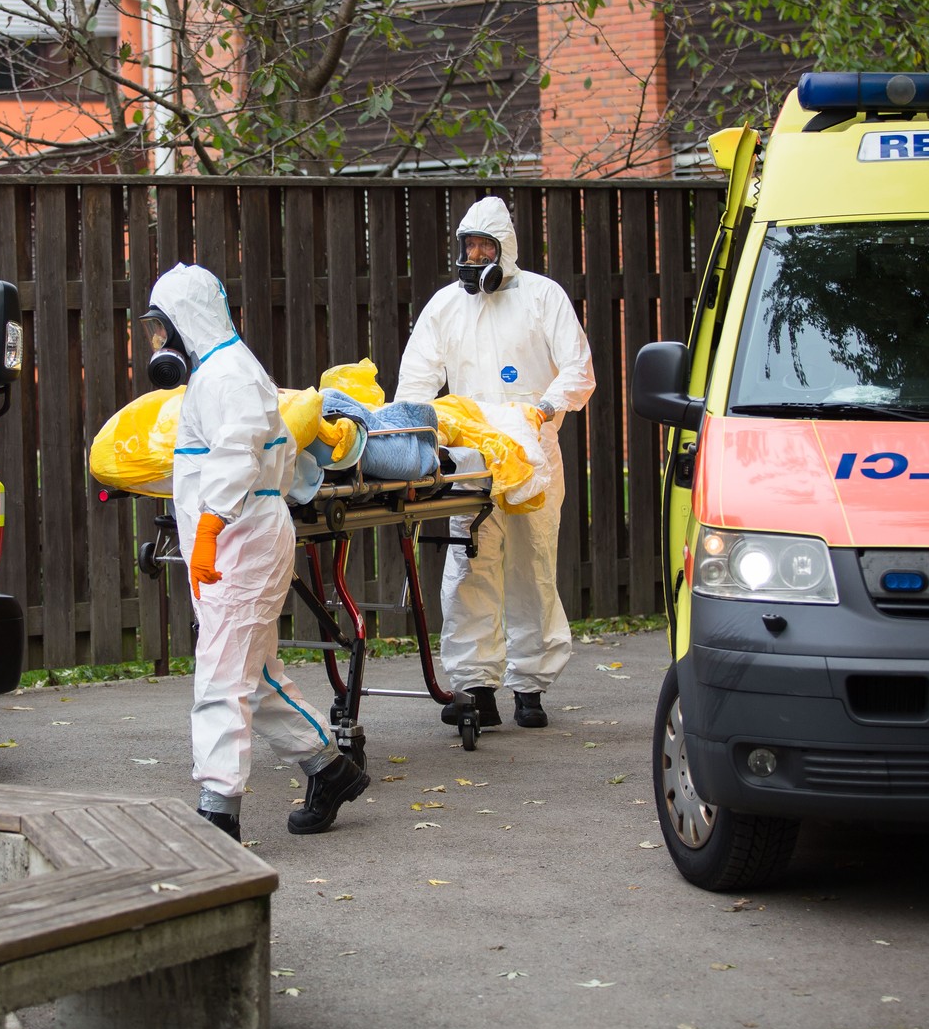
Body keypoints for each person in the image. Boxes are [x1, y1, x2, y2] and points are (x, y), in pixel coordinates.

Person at [144, 263, 368, 842]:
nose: (155, 343)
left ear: (181, 323)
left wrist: (210, 526)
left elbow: (240, 453)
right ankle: (330, 768)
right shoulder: (224, 371)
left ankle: (218, 813)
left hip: (237, 541)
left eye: (158, 329)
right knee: (256, 676)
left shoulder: (228, 377)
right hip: (238, 538)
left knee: (221, 678)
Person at [396, 196, 595, 730]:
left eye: (485, 245)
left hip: (531, 451)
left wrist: (546, 410)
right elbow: (416, 379)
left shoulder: (542, 297)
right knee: (470, 564)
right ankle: (476, 686)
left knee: (532, 565)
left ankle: (530, 686)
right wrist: (415, 438)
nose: (476, 254)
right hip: (472, 457)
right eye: (469, 245)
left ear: (505, 249)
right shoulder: (445, 306)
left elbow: (577, 368)